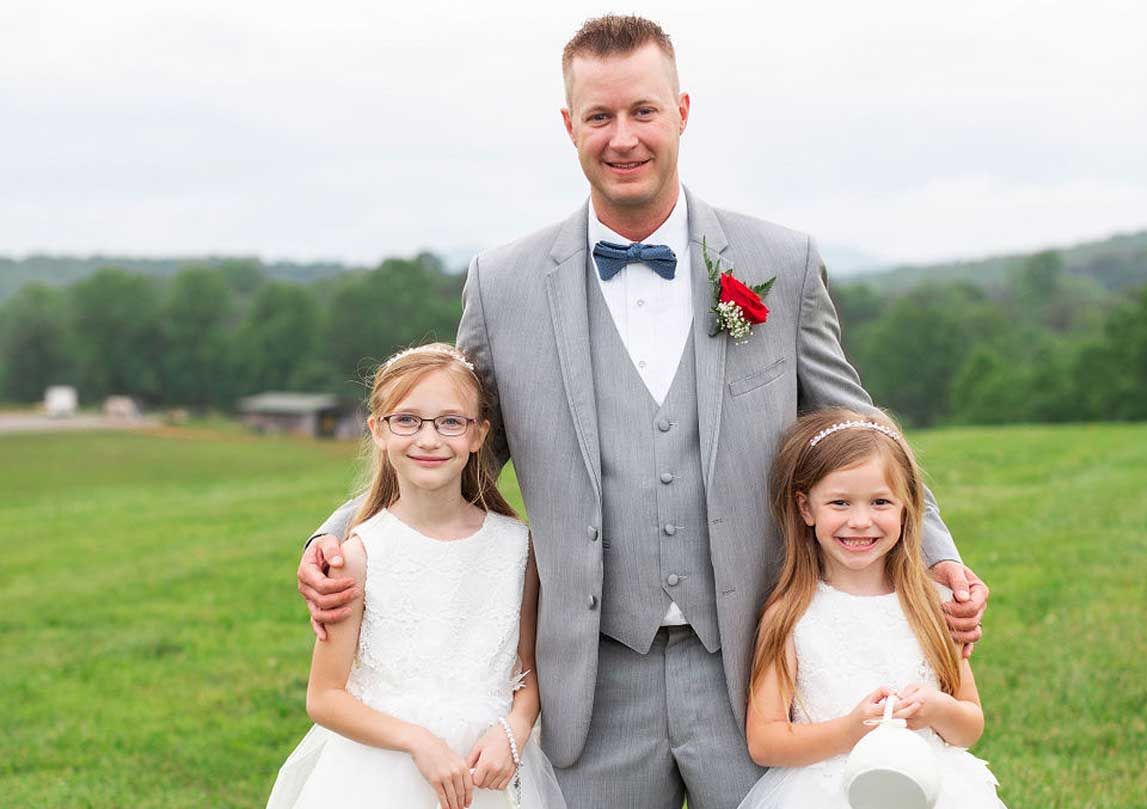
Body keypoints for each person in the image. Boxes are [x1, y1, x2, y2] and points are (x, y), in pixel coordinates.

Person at [297, 15, 989, 809]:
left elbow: (857, 428)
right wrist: (339, 531)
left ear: (681, 112)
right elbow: (455, 448)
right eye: (598, 116)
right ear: (569, 126)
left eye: (642, 111)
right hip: (590, 677)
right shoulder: (504, 282)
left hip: (755, 662)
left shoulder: (778, 262)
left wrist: (937, 553)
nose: (622, 137)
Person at [267, 344, 565, 809]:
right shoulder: (360, 555)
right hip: (381, 772)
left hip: (488, 771)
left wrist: (514, 730)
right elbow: (324, 697)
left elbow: (527, 672)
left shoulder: (517, 547)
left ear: (478, 435)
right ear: (378, 431)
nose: (429, 440)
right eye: (407, 420)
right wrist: (417, 742)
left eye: (450, 422)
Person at [740, 407, 1006, 809]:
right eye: (840, 503)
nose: (861, 521)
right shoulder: (792, 614)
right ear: (806, 508)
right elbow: (765, 741)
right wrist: (849, 731)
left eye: (880, 502)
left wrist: (936, 710)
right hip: (824, 792)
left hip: (930, 788)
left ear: (906, 507)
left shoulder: (933, 606)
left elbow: (970, 726)